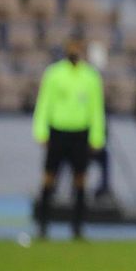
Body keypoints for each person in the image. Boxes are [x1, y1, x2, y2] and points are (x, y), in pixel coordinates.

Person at [32, 37, 106, 240]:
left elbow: (96, 109)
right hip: (58, 132)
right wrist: (41, 130)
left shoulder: (91, 77)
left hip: (80, 134)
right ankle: (43, 224)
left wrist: (97, 136)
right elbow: (44, 103)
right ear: (66, 49)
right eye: (72, 46)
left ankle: (78, 227)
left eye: (78, 46)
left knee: (80, 180)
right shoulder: (54, 74)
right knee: (49, 179)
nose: (75, 50)